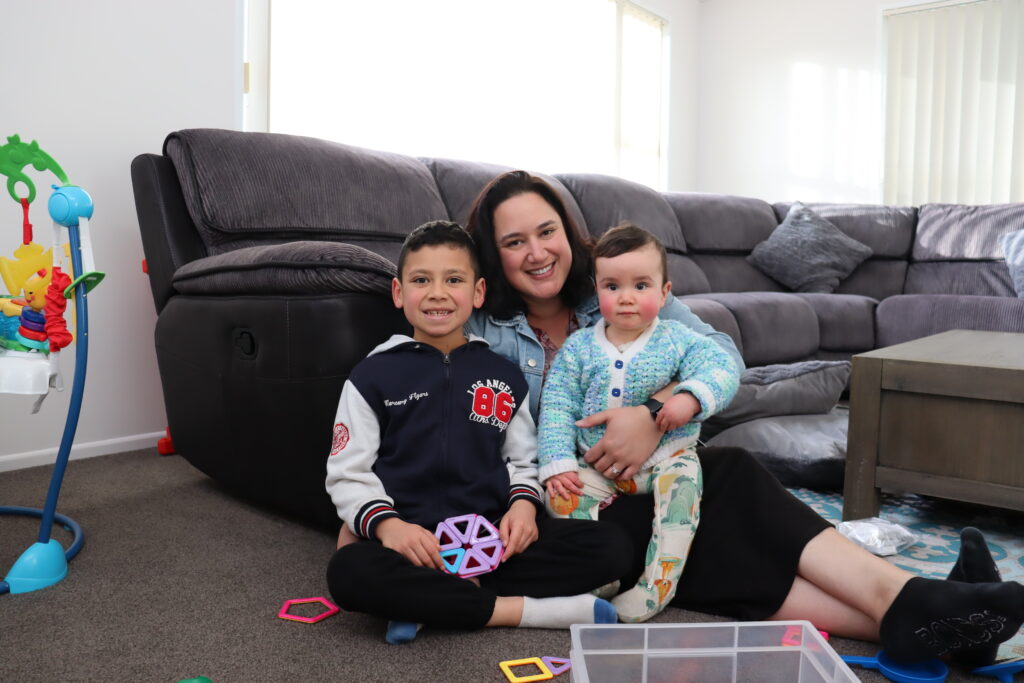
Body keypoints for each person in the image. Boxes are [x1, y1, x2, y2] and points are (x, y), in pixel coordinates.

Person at [464, 170, 1024, 665]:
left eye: (546, 232)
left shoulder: (621, 283)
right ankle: (917, 604)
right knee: (721, 497)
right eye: (515, 242)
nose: (537, 252)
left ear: (568, 232)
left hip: (651, 471)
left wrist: (652, 412)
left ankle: (927, 618)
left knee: (720, 499)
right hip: (576, 503)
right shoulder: (482, 328)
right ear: (494, 254)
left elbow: (720, 354)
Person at [324, 220, 632, 644]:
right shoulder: (370, 375)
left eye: (453, 279)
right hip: (411, 545)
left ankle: (429, 603)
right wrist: (388, 526)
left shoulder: (503, 375)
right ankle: (514, 611)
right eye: (420, 280)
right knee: (348, 573)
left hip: (491, 542)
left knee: (612, 547)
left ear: (478, 292)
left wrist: (523, 508)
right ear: (399, 292)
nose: (437, 292)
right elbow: (347, 472)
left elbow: (523, 461)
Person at [538, 223, 739, 622]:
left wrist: (689, 397)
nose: (626, 298)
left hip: (667, 457)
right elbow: (557, 404)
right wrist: (557, 462)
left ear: (665, 293)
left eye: (641, 286)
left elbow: (721, 365)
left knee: (680, 510)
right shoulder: (579, 348)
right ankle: (601, 577)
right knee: (558, 497)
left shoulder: (677, 338)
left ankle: (655, 588)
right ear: (597, 291)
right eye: (612, 286)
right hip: (598, 465)